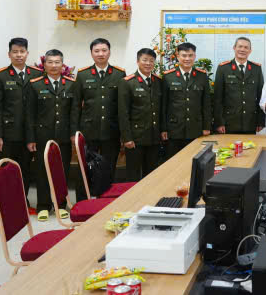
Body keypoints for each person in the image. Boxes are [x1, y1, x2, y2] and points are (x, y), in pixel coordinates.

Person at [0, 37, 42, 214]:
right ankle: (7, 205)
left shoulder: (36, 74)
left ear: (27, 53)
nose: (19, 55)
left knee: (25, 169)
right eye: (15, 52)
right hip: (7, 134)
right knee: (7, 170)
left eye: (22, 51)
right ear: (9, 54)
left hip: (29, 134)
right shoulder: (0, 76)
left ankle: (23, 203)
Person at [25, 49, 76, 221]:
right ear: (44, 64)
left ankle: (60, 205)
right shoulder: (35, 84)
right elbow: (30, 114)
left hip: (64, 137)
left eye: (57, 62)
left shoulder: (71, 84)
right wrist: (31, 138)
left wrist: (73, 134)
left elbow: (74, 113)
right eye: (50, 62)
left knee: (62, 172)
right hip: (42, 136)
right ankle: (43, 206)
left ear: (62, 64)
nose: (54, 65)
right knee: (42, 171)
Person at [72, 38, 126, 201]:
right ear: (91, 53)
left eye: (104, 50)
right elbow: (76, 105)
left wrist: (124, 134)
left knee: (108, 169)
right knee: (84, 168)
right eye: (97, 51)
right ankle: (82, 201)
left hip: (111, 131)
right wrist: (74, 132)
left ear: (109, 52)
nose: (100, 54)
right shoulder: (83, 74)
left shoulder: (119, 74)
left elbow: (122, 106)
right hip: (88, 131)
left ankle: (105, 202)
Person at [118, 48, 163, 180]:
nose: (148, 63)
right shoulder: (127, 82)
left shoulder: (158, 81)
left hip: (154, 137)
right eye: (145, 60)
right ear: (138, 61)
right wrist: (127, 138)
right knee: (133, 175)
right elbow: (123, 112)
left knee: (152, 175)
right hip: (135, 138)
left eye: (151, 61)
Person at [162, 42, 212, 158]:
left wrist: (206, 126)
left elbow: (206, 104)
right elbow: (163, 105)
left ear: (195, 56)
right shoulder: (168, 76)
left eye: (190, 55)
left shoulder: (202, 76)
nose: (187, 59)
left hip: (195, 128)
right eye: (184, 55)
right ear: (178, 56)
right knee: (174, 162)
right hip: (174, 129)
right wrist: (163, 129)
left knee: (194, 161)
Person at [214, 37, 265, 134]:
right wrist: (219, 122)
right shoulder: (223, 68)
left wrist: (260, 121)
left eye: (246, 47)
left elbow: (261, 97)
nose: (242, 49)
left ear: (250, 51)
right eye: (240, 46)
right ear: (234, 48)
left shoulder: (256, 69)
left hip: (250, 122)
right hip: (229, 122)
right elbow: (218, 98)